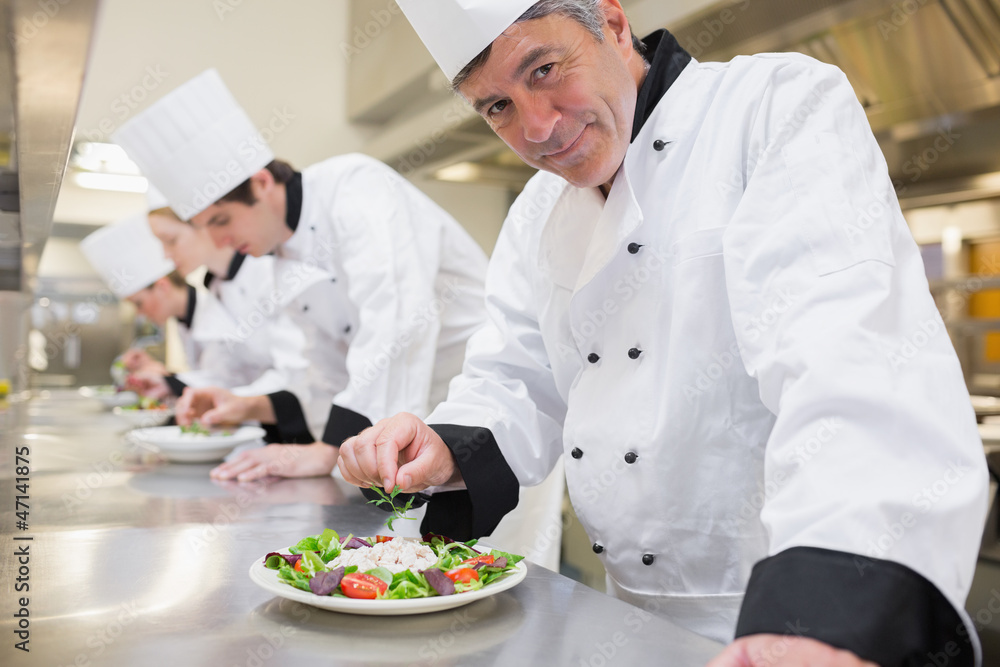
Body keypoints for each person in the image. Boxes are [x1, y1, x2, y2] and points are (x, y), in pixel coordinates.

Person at [336, 0, 990, 663]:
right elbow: (514, 378)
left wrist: (822, 615)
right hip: (631, 620)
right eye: (496, 107)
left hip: (796, 610)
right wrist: (444, 446)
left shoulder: (770, 107)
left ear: (614, 24)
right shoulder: (537, 211)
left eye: (543, 68)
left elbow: (850, 360)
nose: (537, 126)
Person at [111, 69, 492, 481]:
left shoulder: (355, 187)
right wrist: (259, 411)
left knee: (490, 544)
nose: (220, 242)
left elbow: (396, 318)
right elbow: (323, 368)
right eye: (207, 229)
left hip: (478, 405)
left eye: (222, 221)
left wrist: (328, 451)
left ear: (260, 184)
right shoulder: (280, 259)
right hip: (405, 424)